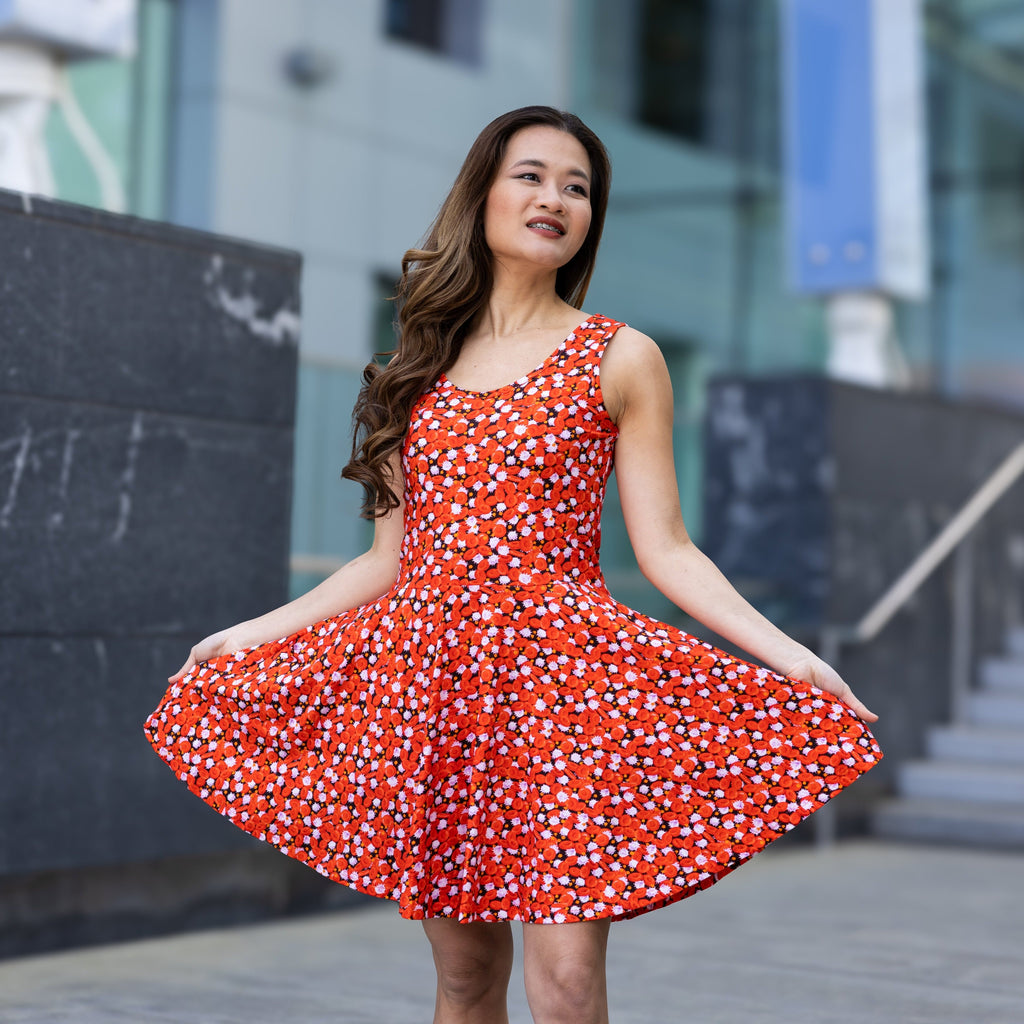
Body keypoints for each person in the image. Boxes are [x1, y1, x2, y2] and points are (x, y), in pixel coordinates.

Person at [145, 105, 881, 1024]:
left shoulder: (621, 357)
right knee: (464, 976)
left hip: (561, 696)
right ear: (482, 195)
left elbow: (667, 548)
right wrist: (254, 633)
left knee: (566, 987)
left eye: (578, 188)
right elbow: (387, 561)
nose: (555, 199)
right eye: (532, 176)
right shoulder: (413, 369)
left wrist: (792, 657)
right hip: (434, 692)